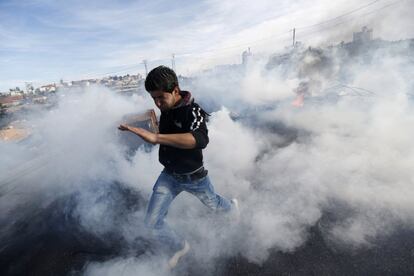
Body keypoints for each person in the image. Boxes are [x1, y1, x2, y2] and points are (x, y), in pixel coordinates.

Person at [118, 66, 238, 268]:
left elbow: (200, 139)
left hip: (194, 178)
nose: (157, 103)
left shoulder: (193, 110)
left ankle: (232, 209)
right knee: (151, 223)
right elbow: (162, 126)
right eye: (153, 98)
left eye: (160, 98)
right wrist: (140, 127)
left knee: (215, 204)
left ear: (175, 90)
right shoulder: (164, 109)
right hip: (169, 176)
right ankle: (178, 246)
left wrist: (156, 138)